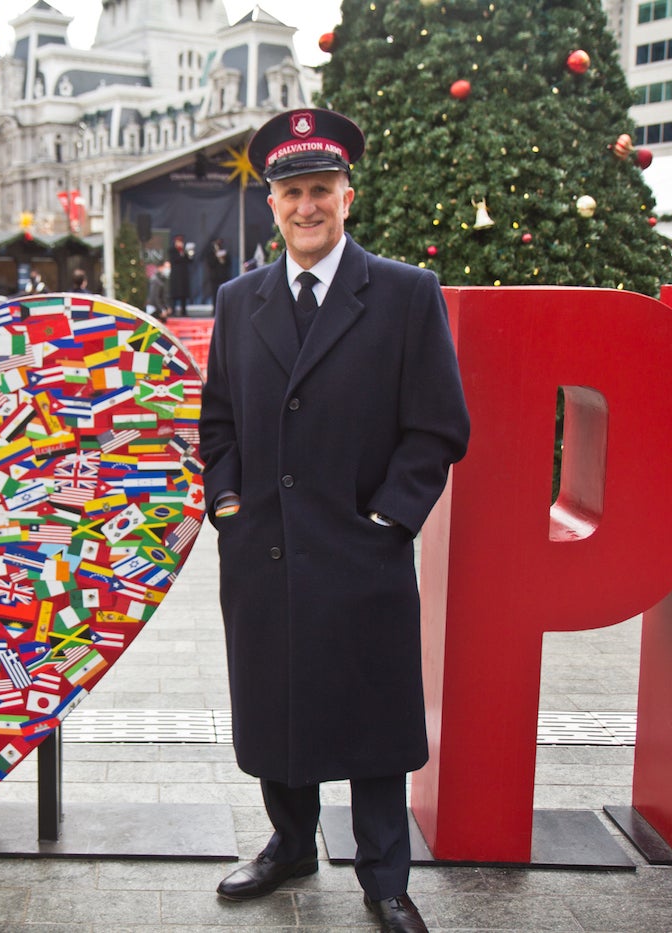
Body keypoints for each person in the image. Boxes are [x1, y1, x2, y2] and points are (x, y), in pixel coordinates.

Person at [199, 108, 470, 933]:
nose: (306, 206)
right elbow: (219, 422)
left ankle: (386, 877)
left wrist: (389, 518)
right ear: (272, 205)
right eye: (292, 193)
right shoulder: (238, 299)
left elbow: (438, 426)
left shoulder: (405, 293)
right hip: (266, 550)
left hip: (361, 549)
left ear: (348, 196)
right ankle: (290, 845)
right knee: (276, 706)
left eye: (321, 189)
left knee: (373, 718)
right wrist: (229, 505)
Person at [168, 234, 192, 316]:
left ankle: (184, 311)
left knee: (183, 294)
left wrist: (188, 253)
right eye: (178, 242)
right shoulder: (172, 250)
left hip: (184, 275)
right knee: (174, 294)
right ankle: (173, 311)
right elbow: (175, 260)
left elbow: (189, 261)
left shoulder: (184, 251)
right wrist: (181, 254)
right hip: (176, 275)